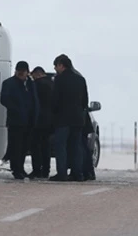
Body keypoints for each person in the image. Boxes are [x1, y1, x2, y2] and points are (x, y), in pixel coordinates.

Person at [49, 54, 88, 182]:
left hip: (63, 119)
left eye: (56, 66)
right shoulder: (80, 79)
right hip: (77, 119)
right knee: (76, 146)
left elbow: (55, 100)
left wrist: (53, 113)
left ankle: (62, 173)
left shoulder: (59, 80)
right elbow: (85, 101)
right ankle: (77, 174)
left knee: (61, 146)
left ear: (61, 65)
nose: (55, 69)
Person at [0, 61, 39, 179]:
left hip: (29, 120)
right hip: (15, 120)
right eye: (19, 71)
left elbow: (34, 100)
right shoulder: (9, 83)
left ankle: (20, 168)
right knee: (15, 146)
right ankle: (16, 169)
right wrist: (16, 109)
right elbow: (4, 99)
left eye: (23, 71)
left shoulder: (30, 84)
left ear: (27, 72)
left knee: (24, 147)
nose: (21, 73)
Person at [29, 66, 53, 179]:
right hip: (49, 120)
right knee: (46, 146)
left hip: (38, 120)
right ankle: (46, 170)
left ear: (37, 74)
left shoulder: (37, 85)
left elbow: (33, 102)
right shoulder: (52, 84)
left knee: (35, 146)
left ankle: (37, 170)